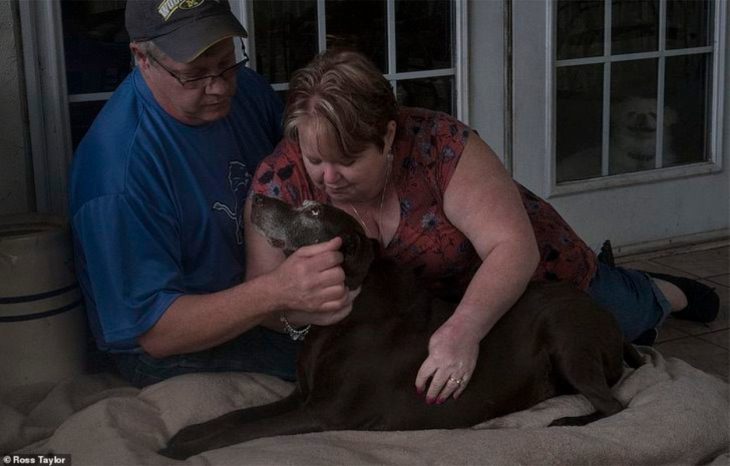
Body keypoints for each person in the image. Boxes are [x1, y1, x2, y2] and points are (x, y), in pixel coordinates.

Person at [245, 49, 720, 405]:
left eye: (347, 160)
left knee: (621, 322)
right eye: (315, 159)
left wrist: (462, 332)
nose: (328, 178)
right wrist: (308, 310)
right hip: (418, 313)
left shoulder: (441, 145)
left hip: (531, 283)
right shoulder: (280, 180)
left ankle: (656, 290)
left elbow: (514, 248)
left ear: (387, 135)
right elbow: (264, 298)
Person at [68, 0, 356, 388]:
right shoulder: (117, 174)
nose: (219, 86)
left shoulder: (243, 90)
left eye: (226, 62)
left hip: (264, 285)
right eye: (196, 74)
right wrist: (277, 291)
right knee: (349, 362)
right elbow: (157, 333)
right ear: (142, 58)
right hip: (174, 341)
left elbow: (308, 165)